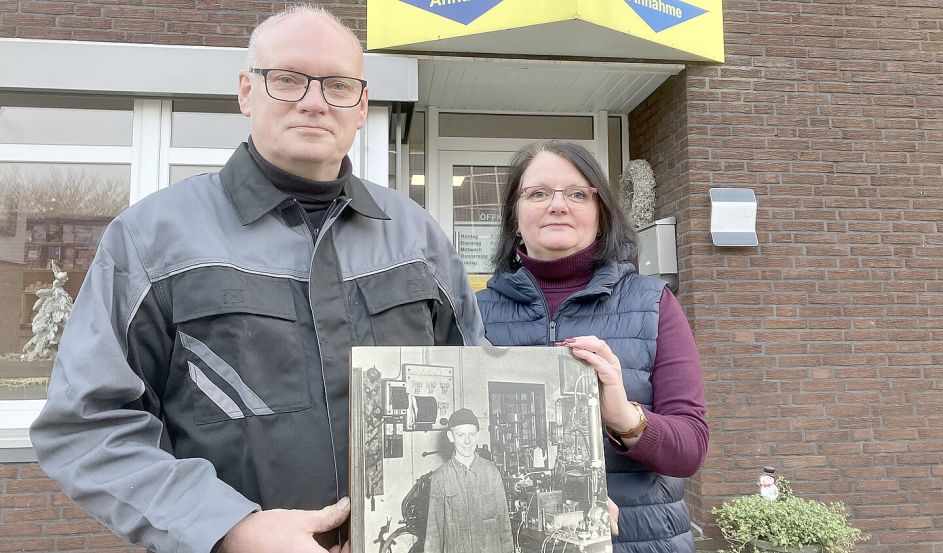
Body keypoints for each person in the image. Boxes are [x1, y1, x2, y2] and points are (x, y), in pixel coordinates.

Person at [29, 6, 485, 553]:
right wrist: (227, 527)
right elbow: (87, 424)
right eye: (288, 80)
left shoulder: (418, 237)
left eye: (338, 85)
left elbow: (474, 397)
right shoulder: (152, 238)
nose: (313, 101)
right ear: (247, 91)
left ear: (361, 107)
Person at [476, 142, 709, 553]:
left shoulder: (653, 303)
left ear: (601, 216)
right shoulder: (474, 314)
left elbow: (689, 450)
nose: (558, 205)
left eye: (578, 193)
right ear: (514, 216)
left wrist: (624, 418)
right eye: (538, 193)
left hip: (640, 541)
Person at [423, 408, 513, 553]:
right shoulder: (440, 477)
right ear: (450, 436)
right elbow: (433, 535)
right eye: (460, 435)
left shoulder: (491, 472)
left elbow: (504, 526)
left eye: (471, 434)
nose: (467, 441)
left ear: (477, 435)